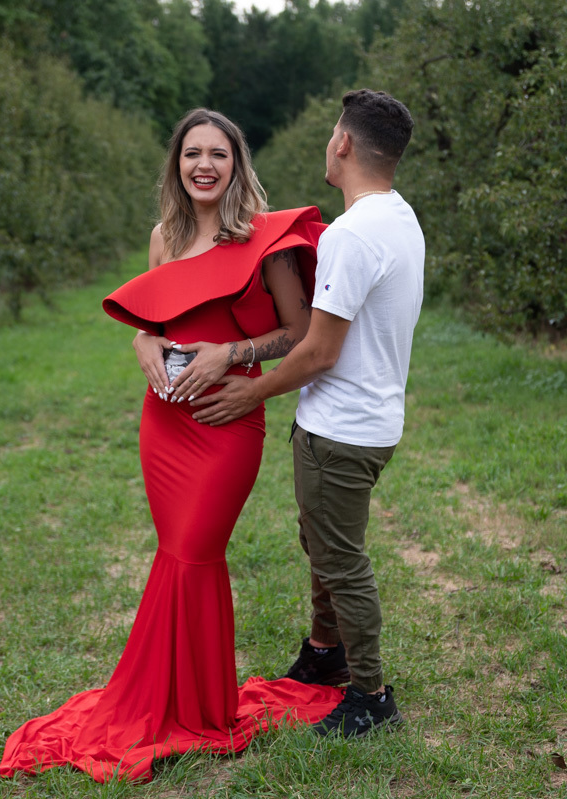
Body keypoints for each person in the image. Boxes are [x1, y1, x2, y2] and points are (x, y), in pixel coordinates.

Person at [0, 109, 343, 784]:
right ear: (177, 165)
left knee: (195, 552)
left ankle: (198, 709)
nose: (204, 165)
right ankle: (177, 702)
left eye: (218, 153)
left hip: (228, 418)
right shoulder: (166, 236)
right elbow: (153, 321)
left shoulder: (264, 240)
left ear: (237, 163)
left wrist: (233, 353)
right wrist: (142, 341)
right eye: (192, 154)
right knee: (174, 552)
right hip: (166, 420)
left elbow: (300, 332)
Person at [192, 89, 424, 738]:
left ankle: (370, 695)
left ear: (343, 144)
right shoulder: (399, 217)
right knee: (321, 542)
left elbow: (319, 349)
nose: (328, 142)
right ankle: (325, 654)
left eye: (330, 134)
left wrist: (248, 391)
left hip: (342, 428)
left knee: (342, 559)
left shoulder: (352, 235)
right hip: (373, 421)